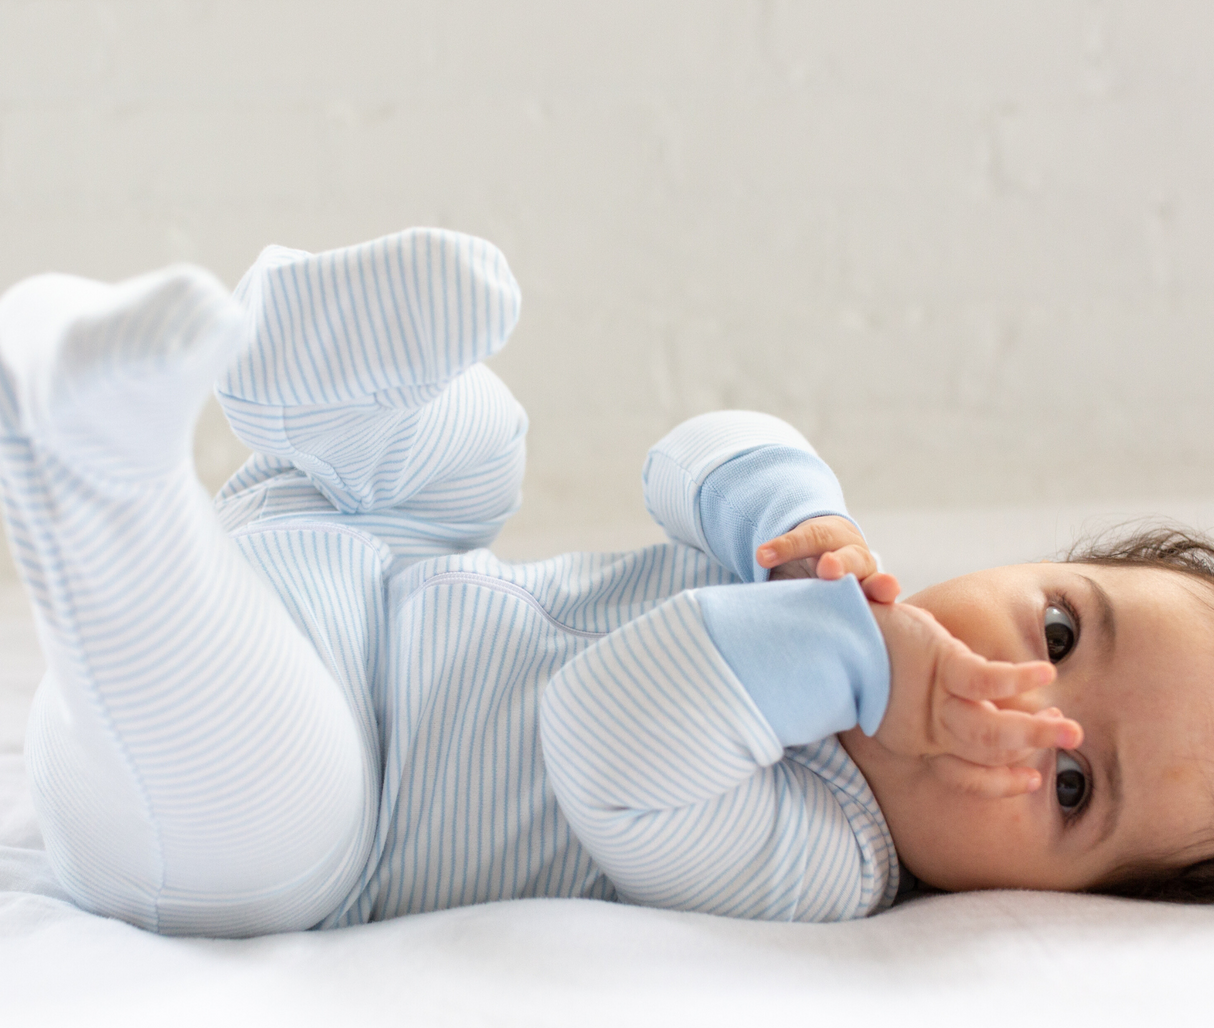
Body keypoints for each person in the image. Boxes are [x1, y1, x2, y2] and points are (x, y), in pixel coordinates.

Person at [0, 228, 1207, 939]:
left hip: (329, 797)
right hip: (362, 563)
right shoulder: (842, 575)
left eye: (1066, 781)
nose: (1010, 697)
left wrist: (855, 657)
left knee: (272, 826)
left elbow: (605, 731)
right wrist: (789, 508)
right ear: (1038, 569)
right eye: (1056, 628)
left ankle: (96, 445)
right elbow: (686, 454)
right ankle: (307, 386)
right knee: (479, 458)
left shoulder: (826, 858)